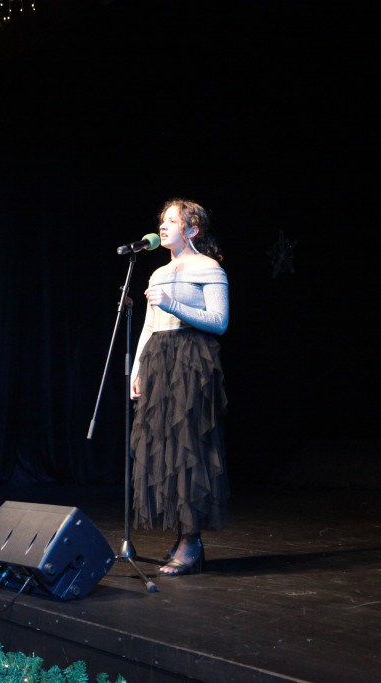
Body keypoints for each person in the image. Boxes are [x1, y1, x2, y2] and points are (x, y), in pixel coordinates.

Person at [129, 198, 230, 576]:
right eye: (163, 220)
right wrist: (137, 371)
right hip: (158, 360)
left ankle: (191, 540)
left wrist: (173, 304)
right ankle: (182, 535)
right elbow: (148, 326)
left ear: (193, 230)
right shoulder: (157, 273)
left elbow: (219, 321)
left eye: (172, 221)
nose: (163, 226)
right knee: (164, 448)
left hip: (191, 362)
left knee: (189, 446)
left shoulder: (209, 268)